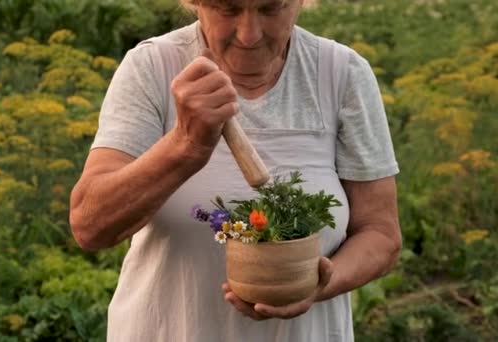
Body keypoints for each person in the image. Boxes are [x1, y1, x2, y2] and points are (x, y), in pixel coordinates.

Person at [69, 0, 402, 340]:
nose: (249, 35)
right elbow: (91, 226)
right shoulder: (153, 69)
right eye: (227, 9)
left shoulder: (340, 74)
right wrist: (185, 146)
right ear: (194, 3)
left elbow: (380, 233)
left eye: (271, 9)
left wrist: (318, 284)